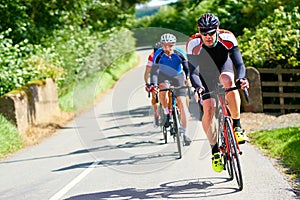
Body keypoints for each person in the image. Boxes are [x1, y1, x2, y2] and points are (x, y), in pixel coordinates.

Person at [186, 13, 249, 172]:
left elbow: (239, 64)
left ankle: (237, 125)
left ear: (218, 29)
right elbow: (193, 72)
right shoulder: (193, 43)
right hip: (204, 73)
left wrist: (241, 78)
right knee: (209, 107)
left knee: (229, 82)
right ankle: (215, 151)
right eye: (204, 32)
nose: (208, 36)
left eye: (211, 32)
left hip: (223, 67)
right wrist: (198, 87)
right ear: (199, 31)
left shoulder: (228, 38)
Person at [150, 33, 192, 146]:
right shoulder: (158, 54)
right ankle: (166, 112)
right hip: (163, 76)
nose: (167, 48)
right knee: (163, 90)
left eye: (170, 45)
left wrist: (188, 79)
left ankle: (185, 133)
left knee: (182, 103)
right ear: (162, 45)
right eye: (165, 45)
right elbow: (154, 72)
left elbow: (187, 68)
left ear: (174, 45)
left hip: (177, 75)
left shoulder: (179, 53)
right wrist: (153, 84)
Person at [144, 42, 162, 128]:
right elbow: (147, 71)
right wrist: (147, 83)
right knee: (154, 94)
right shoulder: (151, 57)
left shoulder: (169, 54)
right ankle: (156, 114)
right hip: (155, 75)